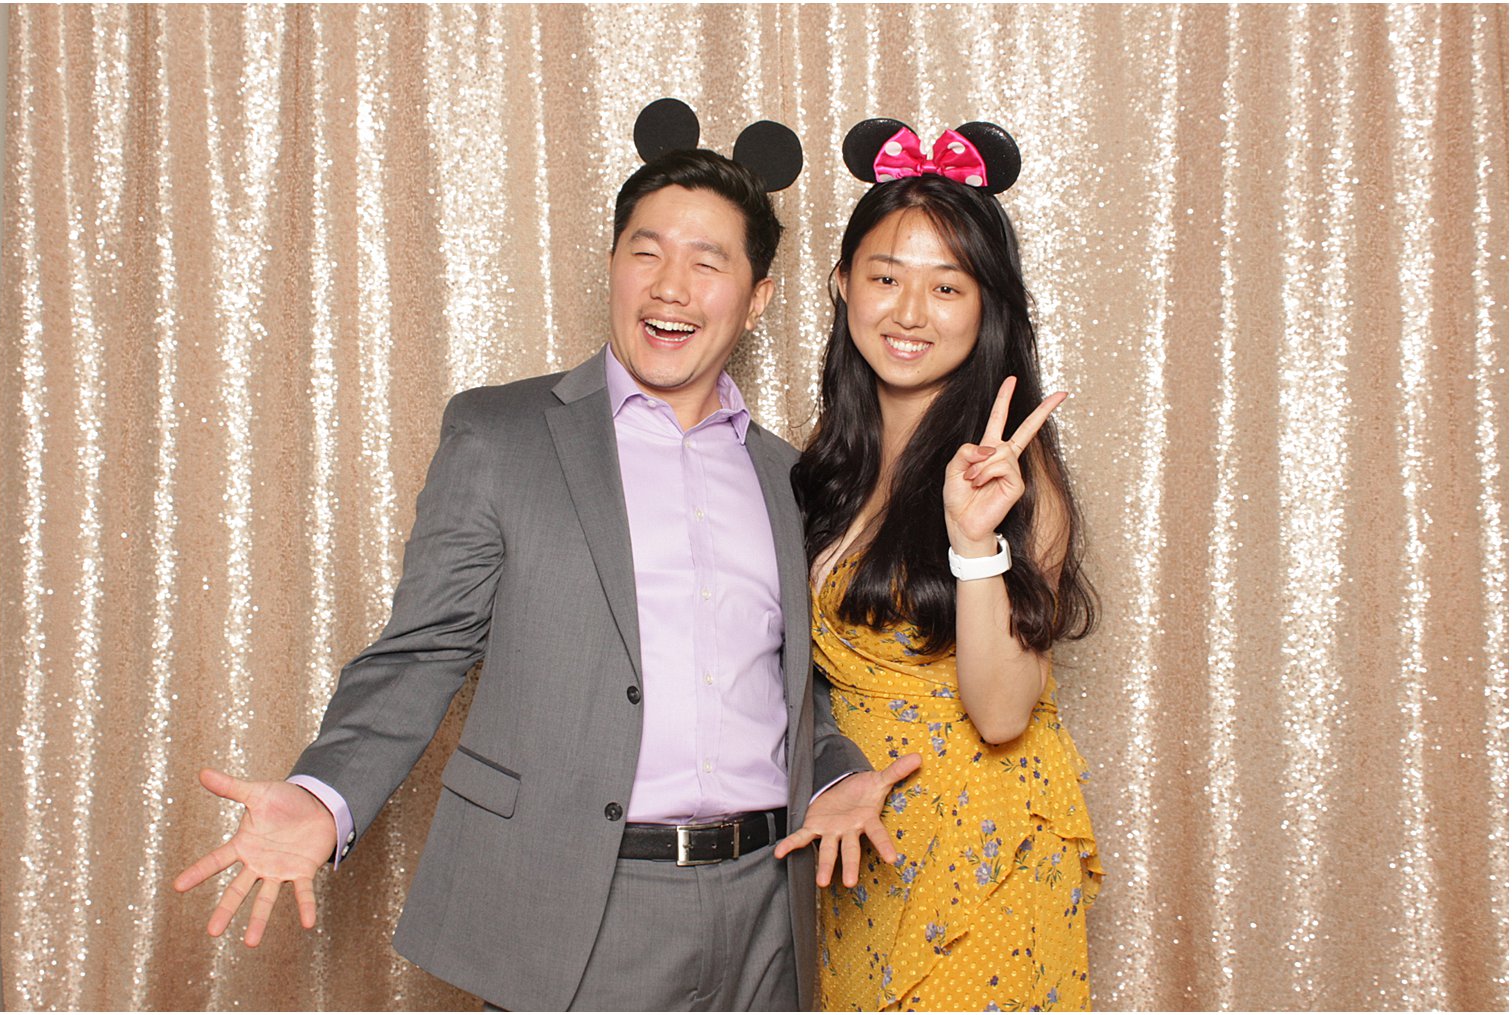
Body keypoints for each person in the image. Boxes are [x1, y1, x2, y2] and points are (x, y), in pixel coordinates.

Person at [172, 104, 918, 1012]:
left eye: (707, 261)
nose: (670, 287)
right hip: (584, 900)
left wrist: (837, 775)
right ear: (612, 264)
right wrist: (325, 796)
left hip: (768, 905)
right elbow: (424, 648)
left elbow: (801, 692)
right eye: (646, 251)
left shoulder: (788, 476)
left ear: (757, 296)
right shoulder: (504, 436)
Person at [786, 120, 1103, 1011]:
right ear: (843, 284)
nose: (910, 312)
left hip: (984, 845)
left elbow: (1003, 712)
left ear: (988, 305)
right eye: (886, 277)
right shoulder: (826, 464)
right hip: (863, 836)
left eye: (947, 286)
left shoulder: (1011, 471)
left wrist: (972, 540)